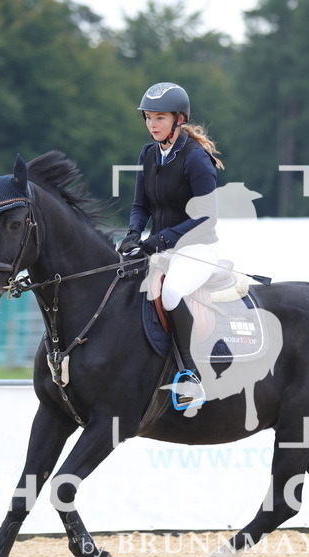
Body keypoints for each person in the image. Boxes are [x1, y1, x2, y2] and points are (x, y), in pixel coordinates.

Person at [118, 82, 225, 409]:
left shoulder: (195, 159)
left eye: (159, 117)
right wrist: (133, 235)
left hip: (196, 248)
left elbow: (207, 217)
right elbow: (141, 206)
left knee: (171, 292)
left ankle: (191, 375)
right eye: (149, 117)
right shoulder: (149, 154)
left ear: (179, 119)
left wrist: (160, 240)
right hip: (157, 246)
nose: (152, 124)